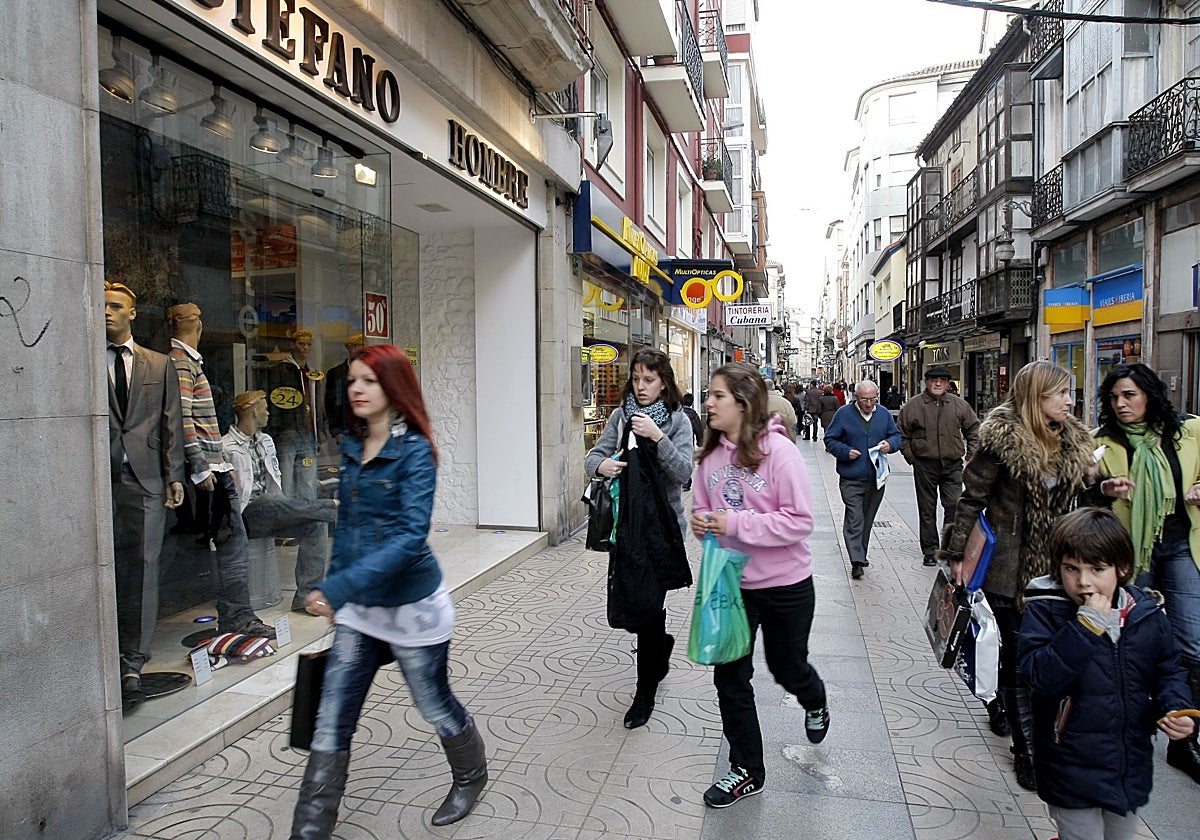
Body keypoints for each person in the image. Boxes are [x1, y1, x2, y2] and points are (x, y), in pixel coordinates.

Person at [291, 345, 487, 837]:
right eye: (352, 380)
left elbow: (408, 539)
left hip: (411, 607)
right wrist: (337, 590)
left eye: (369, 381)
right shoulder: (352, 445)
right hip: (360, 607)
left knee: (432, 704)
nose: (356, 389)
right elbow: (348, 527)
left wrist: (338, 586)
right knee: (332, 716)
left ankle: (471, 775)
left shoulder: (415, 451)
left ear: (393, 387)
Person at [940, 360, 1094, 791]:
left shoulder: (1074, 440)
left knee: (1050, 655)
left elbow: (1081, 499)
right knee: (1021, 656)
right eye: (1060, 393)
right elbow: (972, 498)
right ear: (1035, 397)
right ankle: (1025, 748)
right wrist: (957, 553)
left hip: (1058, 568)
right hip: (1009, 569)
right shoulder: (1001, 441)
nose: (1069, 401)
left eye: (1068, 393)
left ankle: (1041, 728)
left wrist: (1102, 485)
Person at [691, 362, 829, 808]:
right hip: (732, 583)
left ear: (743, 402)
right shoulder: (710, 455)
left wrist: (734, 522)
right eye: (709, 395)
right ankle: (747, 770)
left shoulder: (780, 453)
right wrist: (702, 522)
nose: (708, 403)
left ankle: (815, 699)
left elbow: (800, 521)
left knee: (787, 668)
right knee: (730, 677)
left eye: (717, 395)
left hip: (786, 583)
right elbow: (701, 508)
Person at [1020, 507, 1195, 839]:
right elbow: (1038, 674)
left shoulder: (1145, 614)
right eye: (1071, 568)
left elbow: (1169, 669)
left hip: (1127, 765)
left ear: (1122, 568)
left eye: (1097, 569)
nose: (1083, 581)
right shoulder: (1047, 609)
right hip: (1069, 765)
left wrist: (1176, 708)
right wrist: (1085, 628)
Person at [1091, 362, 1200, 784]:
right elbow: (1083, 496)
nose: (1121, 404)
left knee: (1192, 642)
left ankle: (1184, 737)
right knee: (1128, 640)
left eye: (1129, 395)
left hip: (1182, 544)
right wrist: (1103, 489)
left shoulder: (1189, 432)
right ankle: (1126, 732)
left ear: (1149, 395)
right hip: (1131, 553)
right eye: (1114, 397)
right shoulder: (1102, 442)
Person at [584, 348, 694, 729]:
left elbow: (683, 473)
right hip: (626, 528)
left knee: (647, 611)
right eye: (636, 379)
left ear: (664, 382)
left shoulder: (678, 421)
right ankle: (660, 646)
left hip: (661, 531)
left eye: (649, 379)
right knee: (633, 608)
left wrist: (658, 436)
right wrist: (602, 464)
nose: (641, 386)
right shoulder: (620, 417)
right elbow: (592, 457)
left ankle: (644, 694)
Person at [167, 303, 275, 639]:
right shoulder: (181, 363)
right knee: (232, 547)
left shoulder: (187, 362)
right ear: (197, 324)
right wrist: (201, 467)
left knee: (232, 546)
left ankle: (237, 615)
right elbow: (182, 417)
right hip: (208, 469)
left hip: (212, 466)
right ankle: (237, 617)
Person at [104, 281, 186, 712]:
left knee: (144, 567)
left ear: (132, 313)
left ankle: (133, 662)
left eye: (116, 306)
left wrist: (175, 476)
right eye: (103, 306)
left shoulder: (158, 363)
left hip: (146, 479)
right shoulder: (84, 358)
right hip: (95, 479)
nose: (108, 312)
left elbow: (171, 422)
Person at [222, 390, 338, 613]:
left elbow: (275, 481)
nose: (268, 413)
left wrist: (289, 510)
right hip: (244, 515)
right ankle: (330, 506)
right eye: (265, 409)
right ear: (253, 411)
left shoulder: (266, 441)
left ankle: (306, 597)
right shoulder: (226, 446)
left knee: (316, 523)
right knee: (270, 500)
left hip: (273, 509)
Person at [898, 365, 981, 567]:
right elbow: (902, 434)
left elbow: (973, 429)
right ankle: (929, 550)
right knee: (927, 508)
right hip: (925, 464)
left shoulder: (959, 405)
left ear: (948, 383)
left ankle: (949, 547)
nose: (937, 384)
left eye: (942, 380)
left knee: (954, 504)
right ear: (926, 382)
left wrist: (970, 457)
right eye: (934, 380)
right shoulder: (913, 406)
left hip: (952, 464)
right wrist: (912, 458)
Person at [823, 380, 901, 580]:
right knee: (855, 517)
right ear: (856, 397)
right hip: (851, 477)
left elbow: (896, 436)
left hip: (876, 478)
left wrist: (890, 444)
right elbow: (830, 439)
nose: (869, 404)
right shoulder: (844, 414)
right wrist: (845, 451)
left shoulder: (883, 414)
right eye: (864, 399)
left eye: (873, 399)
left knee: (867, 518)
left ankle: (861, 554)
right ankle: (856, 560)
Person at [266, 328, 323, 500]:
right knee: (286, 478)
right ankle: (286, 511)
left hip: (308, 431)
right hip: (287, 431)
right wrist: (274, 429)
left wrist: (320, 429)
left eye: (308, 344)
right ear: (292, 345)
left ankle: (307, 512)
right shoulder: (280, 370)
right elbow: (273, 403)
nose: (305, 348)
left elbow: (317, 403)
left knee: (308, 480)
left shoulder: (313, 372)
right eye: (301, 343)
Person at [324, 331, 366, 441]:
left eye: (362, 346)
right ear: (349, 348)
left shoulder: (371, 372)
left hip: (366, 427)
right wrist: (336, 430)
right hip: (344, 427)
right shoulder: (336, 373)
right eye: (355, 346)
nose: (359, 350)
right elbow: (331, 403)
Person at [680, 393, 706, 491]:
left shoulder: (677, 413)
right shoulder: (693, 414)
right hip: (689, 441)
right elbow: (699, 430)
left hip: (676, 441)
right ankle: (686, 482)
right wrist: (700, 442)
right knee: (687, 460)